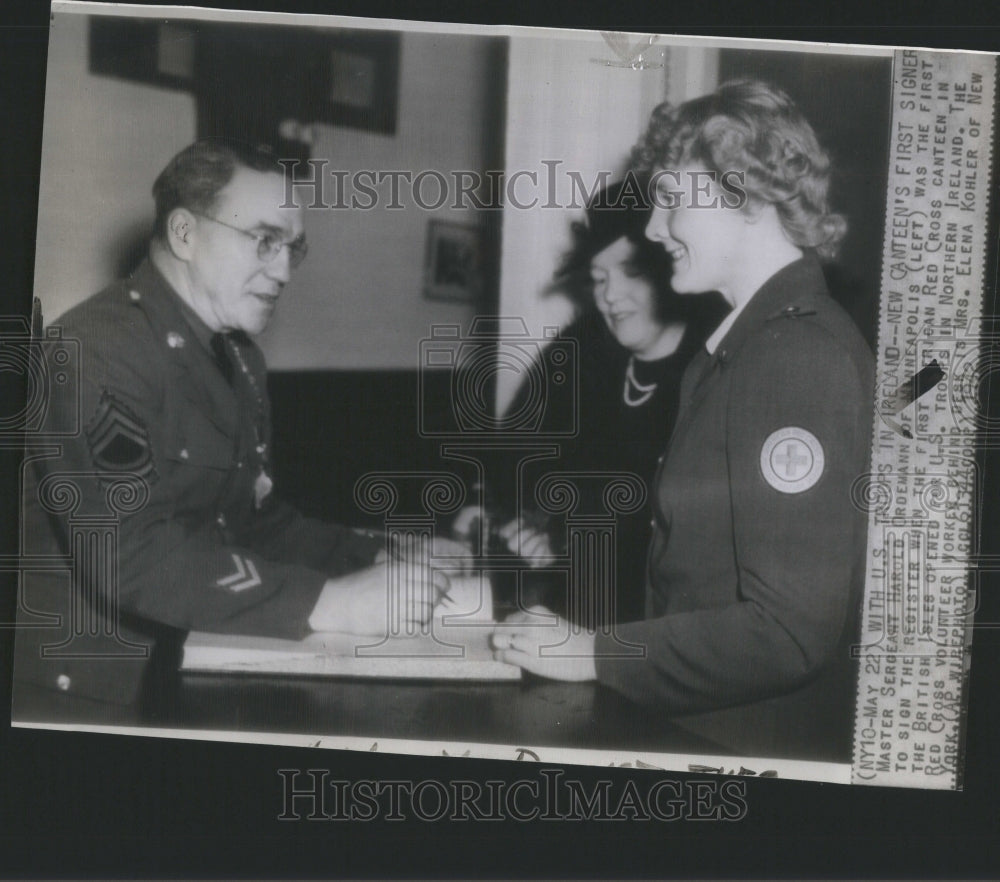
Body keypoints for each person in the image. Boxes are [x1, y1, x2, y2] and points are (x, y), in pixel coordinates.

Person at [13, 139, 462, 722]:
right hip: (82, 695)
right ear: (184, 233)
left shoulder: (239, 361)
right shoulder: (92, 353)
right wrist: (329, 602)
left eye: (291, 249)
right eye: (264, 241)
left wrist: (382, 552)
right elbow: (131, 554)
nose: (282, 271)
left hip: (190, 663)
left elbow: (253, 523)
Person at [492, 81, 875, 759]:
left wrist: (598, 655)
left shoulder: (796, 357)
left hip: (745, 748)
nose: (652, 229)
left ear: (747, 193)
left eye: (671, 200)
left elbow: (789, 632)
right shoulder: (748, 343)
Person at [485, 179, 724, 627]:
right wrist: (528, 523)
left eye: (630, 272)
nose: (610, 295)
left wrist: (566, 536)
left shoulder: (714, 366)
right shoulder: (580, 348)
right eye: (598, 279)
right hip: (565, 604)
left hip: (659, 618)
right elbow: (511, 459)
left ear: (668, 274)